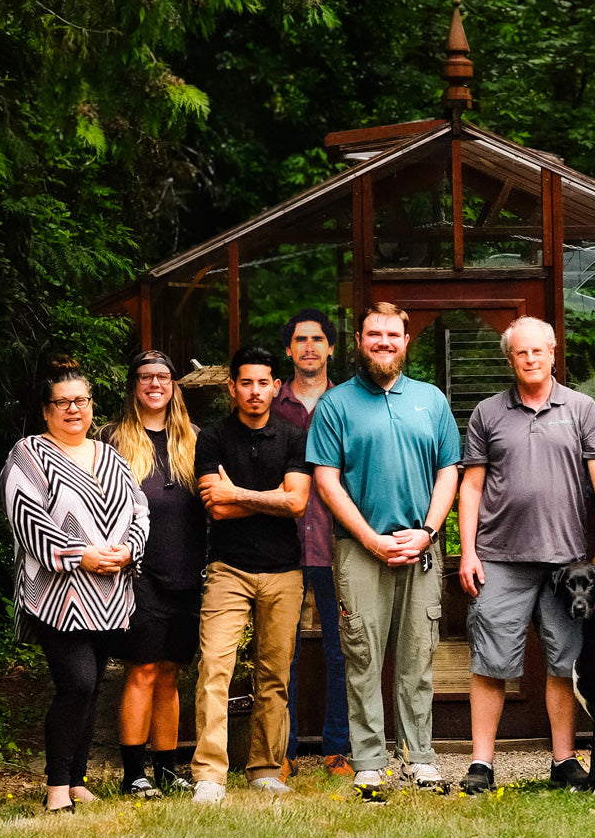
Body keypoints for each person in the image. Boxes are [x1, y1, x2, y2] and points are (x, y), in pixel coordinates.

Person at [457, 316, 595, 794]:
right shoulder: (487, 413)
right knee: (490, 661)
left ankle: (563, 761)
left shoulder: (581, 408)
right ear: (510, 359)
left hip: (569, 563)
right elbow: (471, 485)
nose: (531, 359)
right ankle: (481, 764)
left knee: (566, 662)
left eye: (539, 351)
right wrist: (467, 552)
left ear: (554, 353)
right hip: (499, 557)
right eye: (521, 353)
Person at [306, 302, 461, 798]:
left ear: (406, 340)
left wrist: (430, 531)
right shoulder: (336, 404)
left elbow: (448, 470)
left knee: (419, 657)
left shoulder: (431, 400)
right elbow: (326, 481)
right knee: (363, 657)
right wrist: (371, 539)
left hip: (421, 547)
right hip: (359, 549)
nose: (384, 342)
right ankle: (369, 761)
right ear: (358, 339)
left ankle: (420, 758)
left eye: (392, 334)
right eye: (374, 333)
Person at [1, 356, 149, 812]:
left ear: (91, 406)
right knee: (77, 684)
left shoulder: (110, 455)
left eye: (80, 400)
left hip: (108, 595)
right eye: (62, 402)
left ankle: (78, 778)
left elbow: (139, 509)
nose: (73, 409)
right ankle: (56, 788)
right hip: (56, 594)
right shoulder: (28, 454)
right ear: (46, 411)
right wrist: (79, 555)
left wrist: (128, 550)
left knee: (94, 683)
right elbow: (26, 519)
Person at [191, 345, 310, 804]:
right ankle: (209, 773)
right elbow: (215, 509)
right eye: (246, 383)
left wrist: (238, 492)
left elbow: (297, 503)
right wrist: (270, 497)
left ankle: (263, 767)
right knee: (215, 668)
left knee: (274, 674)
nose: (255, 391)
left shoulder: (294, 436)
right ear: (232, 388)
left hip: (284, 572)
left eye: (264, 382)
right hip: (228, 569)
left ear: (276, 386)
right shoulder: (214, 438)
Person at [99, 350, 207, 797]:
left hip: (187, 570)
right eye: (145, 377)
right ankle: (133, 773)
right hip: (137, 574)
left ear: (174, 385)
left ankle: (166, 769)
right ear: (133, 386)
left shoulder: (195, 438)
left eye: (163, 376)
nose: (155, 384)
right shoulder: (111, 439)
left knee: (170, 672)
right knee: (141, 668)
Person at [272, 308, 353, 780]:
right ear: (289, 349)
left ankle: (337, 748)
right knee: (284, 651)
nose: (308, 347)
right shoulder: (269, 403)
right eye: (300, 340)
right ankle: (282, 750)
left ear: (331, 348)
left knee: (339, 650)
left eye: (317, 339)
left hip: (336, 544)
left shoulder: (348, 403)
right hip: (280, 548)